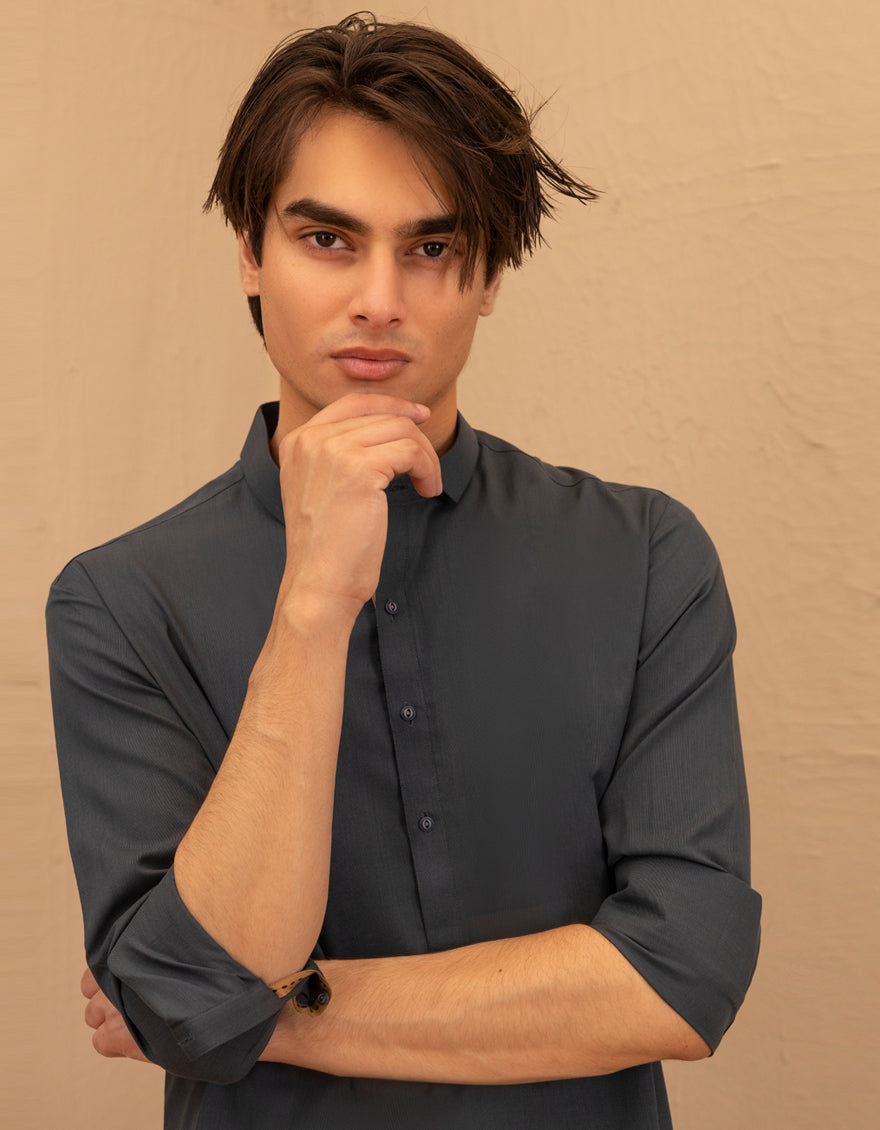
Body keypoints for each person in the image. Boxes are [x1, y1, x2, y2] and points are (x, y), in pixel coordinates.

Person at [47, 12, 761, 1129]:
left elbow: (682, 974)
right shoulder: (120, 602)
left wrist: (250, 1011)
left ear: (489, 273)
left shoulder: (643, 557)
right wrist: (312, 604)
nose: (379, 298)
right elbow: (191, 992)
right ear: (251, 251)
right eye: (327, 238)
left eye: (430, 248)